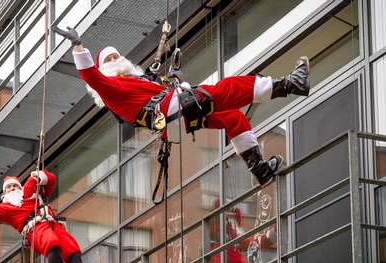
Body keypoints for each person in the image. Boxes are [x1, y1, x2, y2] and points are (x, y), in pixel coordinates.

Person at [53, 26, 310, 187]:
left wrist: (169, 79)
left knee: (233, 118)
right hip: (170, 110)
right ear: (103, 68)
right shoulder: (110, 89)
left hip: (172, 113)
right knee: (227, 88)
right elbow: (91, 76)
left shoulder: (135, 83)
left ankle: (260, 170)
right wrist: (78, 46)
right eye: (108, 59)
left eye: (116, 56)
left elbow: (151, 94)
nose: (114, 60)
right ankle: (289, 84)